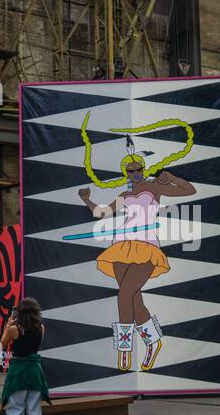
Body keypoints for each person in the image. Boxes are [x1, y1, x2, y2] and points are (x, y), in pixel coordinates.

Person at [75, 113, 196, 372]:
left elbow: (189, 191)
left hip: (147, 246)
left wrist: (170, 175)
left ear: (143, 169)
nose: (135, 174)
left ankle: (124, 349)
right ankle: (153, 343)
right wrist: (87, 198)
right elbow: (102, 213)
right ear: (125, 172)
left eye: (138, 169)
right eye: (130, 171)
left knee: (124, 295)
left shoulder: (154, 188)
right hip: (122, 246)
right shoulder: (124, 193)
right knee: (134, 299)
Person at [0, 298, 50, 415]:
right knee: (34, 409)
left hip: (19, 371)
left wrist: (8, 325)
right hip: (35, 370)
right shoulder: (41, 327)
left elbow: (3, 343)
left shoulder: (15, 329)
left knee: (15, 409)